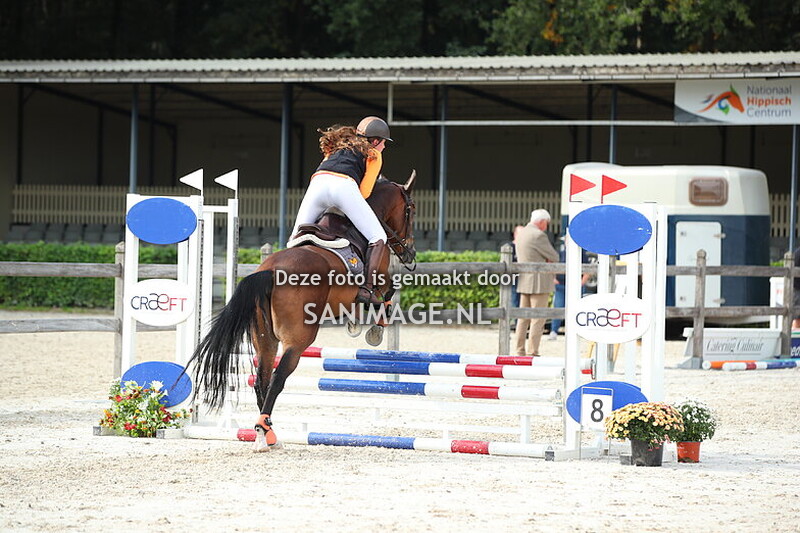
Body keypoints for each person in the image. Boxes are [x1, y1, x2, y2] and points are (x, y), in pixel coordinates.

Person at [290, 116, 393, 305]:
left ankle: (282, 277)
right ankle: (367, 289)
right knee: (378, 237)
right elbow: (364, 192)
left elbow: (326, 167)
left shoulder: (338, 146)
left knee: (295, 236)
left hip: (317, 184)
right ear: (376, 141)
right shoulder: (374, 154)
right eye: (384, 143)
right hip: (343, 187)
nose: (384, 147)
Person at [513, 209, 559, 356]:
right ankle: (533, 351)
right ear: (542, 221)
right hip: (539, 281)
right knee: (538, 318)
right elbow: (554, 256)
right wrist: (547, 259)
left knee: (522, 318)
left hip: (524, 279)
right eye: (547, 222)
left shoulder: (522, 233)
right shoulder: (538, 235)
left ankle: (519, 349)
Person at [548, 237, 591, 339]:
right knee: (558, 308)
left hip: (575, 286)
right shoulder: (560, 253)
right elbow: (551, 265)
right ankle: (554, 331)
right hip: (561, 285)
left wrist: (581, 283)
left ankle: (577, 331)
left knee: (578, 309)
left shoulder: (582, 254)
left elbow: (588, 270)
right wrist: (553, 278)